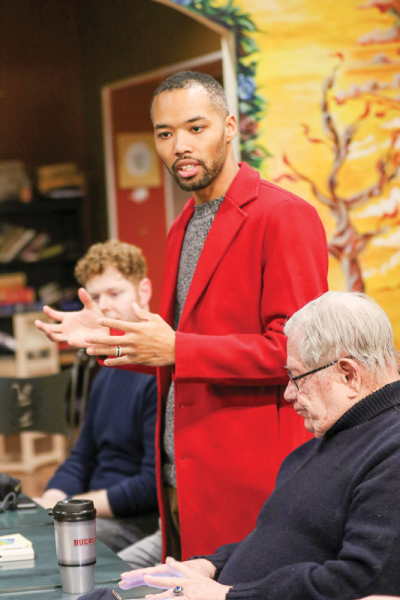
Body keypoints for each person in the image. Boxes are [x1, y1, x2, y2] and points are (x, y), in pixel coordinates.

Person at [35, 71, 329, 560]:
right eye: (165, 134)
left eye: (196, 128)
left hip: (253, 484)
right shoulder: (182, 226)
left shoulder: (282, 216)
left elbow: (297, 352)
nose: (180, 146)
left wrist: (177, 347)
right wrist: (106, 336)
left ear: (230, 127)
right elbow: (172, 351)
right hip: (180, 482)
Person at [117, 291, 400, 600]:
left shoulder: (391, 452)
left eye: (296, 377)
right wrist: (210, 566)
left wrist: (226, 595)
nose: (289, 394)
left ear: (348, 375)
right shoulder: (327, 442)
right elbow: (277, 541)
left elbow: (360, 582)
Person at [34, 240, 159, 554]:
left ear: (143, 291)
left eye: (115, 294)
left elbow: (151, 485)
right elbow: (82, 456)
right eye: (95, 296)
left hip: (135, 521)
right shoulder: (106, 372)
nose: (103, 306)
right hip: (92, 510)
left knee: (48, 546)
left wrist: (72, 508)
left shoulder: (158, 374)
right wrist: (50, 501)